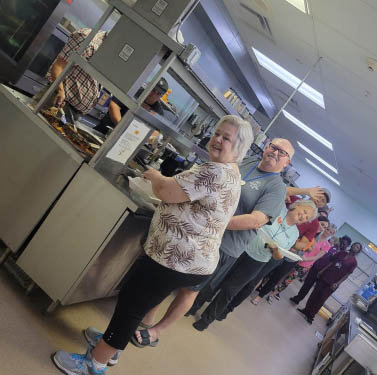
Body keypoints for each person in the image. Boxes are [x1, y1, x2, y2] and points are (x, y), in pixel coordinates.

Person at [52, 115, 254, 375]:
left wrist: (156, 176)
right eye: (217, 133)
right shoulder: (230, 172)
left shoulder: (215, 171)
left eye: (226, 138)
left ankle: (95, 363)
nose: (217, 139)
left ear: (239, 148)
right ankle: (112, 345)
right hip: (187, 259)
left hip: (174, 257)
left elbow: (168, 192)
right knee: (137, 304)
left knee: (130, 305)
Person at [185, 138, 295, 321]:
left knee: (191, 289)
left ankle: (159, 327)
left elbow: (255, 220)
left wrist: (216, 221)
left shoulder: (277, 188)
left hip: (225, 243)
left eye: (282, 152)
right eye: (273, 147)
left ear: (287, 162)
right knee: (179, 274)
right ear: (266, 147)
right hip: (203, 228)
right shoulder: (247, 161)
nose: (275, 153)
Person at [191, 199, 317, 330]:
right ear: (298, 205)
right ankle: (194, 306)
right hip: (242, 247)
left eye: (307, 217)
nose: (303, 216)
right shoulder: (277, 208)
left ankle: (206, 320)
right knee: (217, 279)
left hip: (257, 261)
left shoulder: (294, 233)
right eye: (304, 211)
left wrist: (275, 250)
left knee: (230, 289)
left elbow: (279, 256)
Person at [252, 188, 331, 303]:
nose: (319, 200)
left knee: (263, 274)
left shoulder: (314, 223)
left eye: (323, 201)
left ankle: (256, 295)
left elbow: (303, 244)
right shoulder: (295, 200)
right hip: (262, 236)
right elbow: (282, 192)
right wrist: (302, 192)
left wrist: (287, 239)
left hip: (282, 250)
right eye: (319, 196)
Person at [253, 220, 335, 305]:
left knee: (280, 279)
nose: (324, 229)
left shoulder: (321, 241)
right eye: (324, 227)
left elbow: (314, 253)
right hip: (285, 253)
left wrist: (303, 255)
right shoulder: (308, 228)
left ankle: (265, 295)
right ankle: (256, 286)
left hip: (297, 261)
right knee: (268, 272)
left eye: (326, 228)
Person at [46, 28, 107, 123]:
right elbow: (58, 66)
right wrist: (60, 91)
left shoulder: (110, 51)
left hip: (75, 112)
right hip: (59, 102)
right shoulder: (86, 37)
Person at [295, 241, 362, 324]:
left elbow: (347, 275)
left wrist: (337, 283)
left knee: (321, 299)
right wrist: (322, 271)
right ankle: (306, 310)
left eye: (357, 247)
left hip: (333, 283)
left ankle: (311, 315)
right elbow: (331, 262)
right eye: (355, 245)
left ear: (358, 251)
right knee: (314, 294)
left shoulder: (354, 262)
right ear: (351, 246)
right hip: (325, 276)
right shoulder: (341, 253)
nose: (355, 247)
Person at [289, 235, 352, 308]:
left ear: (347, 245)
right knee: (307, 285)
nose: (342, 244)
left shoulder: (343, 254)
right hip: (316, 267)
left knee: (316, 292)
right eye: (341, 242)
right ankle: (297, 298)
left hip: (325, 274)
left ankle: (308, 308)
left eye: (344, 244)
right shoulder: (331, 246)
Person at [93, 78, 169, 134]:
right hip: (105, 130)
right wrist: (122, 129)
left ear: (161, 96)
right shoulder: (134, 91)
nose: (153, 95)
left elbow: (156, 132)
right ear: (148, 86)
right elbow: (114, 106)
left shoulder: (158, 111)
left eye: (158, 93)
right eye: (153, 89)